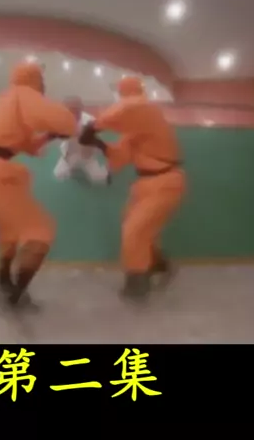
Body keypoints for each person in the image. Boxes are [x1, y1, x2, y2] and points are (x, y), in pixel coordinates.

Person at [0, 62, 76, 310]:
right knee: (41, 230)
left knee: (9, 230)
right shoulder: (23, 94)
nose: (44, 86)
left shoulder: (4, 102)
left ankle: (4, 284)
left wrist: (50, 136)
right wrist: (70, 117)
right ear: (34, 80)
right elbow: (62, 120)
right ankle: (15, 297)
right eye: (42, 81)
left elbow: (25, 146)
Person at [79, 76, 185, 300]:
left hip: (165, 182)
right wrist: (98, 143)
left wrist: (93, 126)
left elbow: (128, 108)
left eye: (120, 95)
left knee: (134, 232)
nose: (119, 100)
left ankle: (137, 285)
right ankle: (160, 266)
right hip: (145, 185)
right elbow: (120, 157)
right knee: (137, 228)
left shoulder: (148, 111)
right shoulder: (135, 129)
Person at [53, 96, 110, 184]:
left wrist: (88, 153)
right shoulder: (61, 121)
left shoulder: (90, 121)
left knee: (99, 178)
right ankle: (73, 167)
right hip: (70, 155)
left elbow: (97, 141)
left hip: (87, 156)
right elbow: (58, 139)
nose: (74, 111)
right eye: (70, 109)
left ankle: (106, 168)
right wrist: (66, 156)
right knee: (59, 174)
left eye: (76, 108)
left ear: (81, 107)